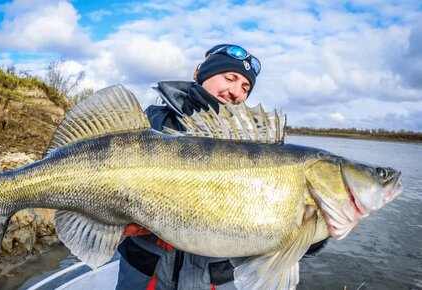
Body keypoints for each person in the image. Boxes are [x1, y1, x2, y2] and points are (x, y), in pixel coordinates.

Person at [115, 44, 327, 290]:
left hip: (216, 278)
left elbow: (287, 235)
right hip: (145, 271)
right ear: (199, 73)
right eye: (230, 77)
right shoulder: (149, 123)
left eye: (245, 87)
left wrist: (321, 225)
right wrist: (117, 225)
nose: (236, 91)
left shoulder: (260, 145)